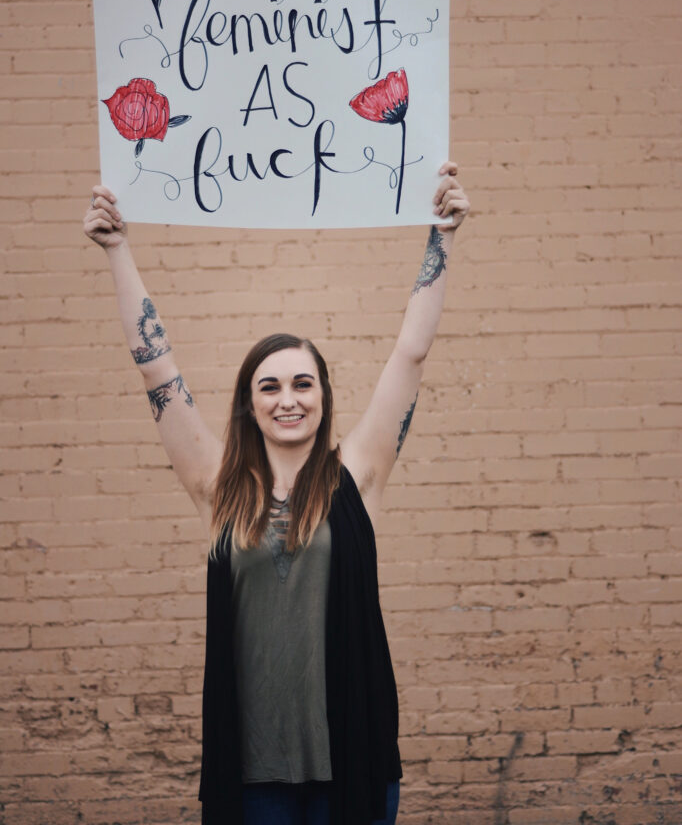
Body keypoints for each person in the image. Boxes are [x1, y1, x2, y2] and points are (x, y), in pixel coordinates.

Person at [83, 162, 470, 825]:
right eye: (270, 386)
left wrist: (442, 237)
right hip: (253, 779)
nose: (288, 399)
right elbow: (155, 366)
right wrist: (119, 250)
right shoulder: (217, 488)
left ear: (323, 397)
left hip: (353, 765)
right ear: (249, 405)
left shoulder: (358, 477)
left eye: (302, 383)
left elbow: (411, 353)